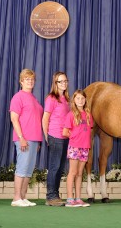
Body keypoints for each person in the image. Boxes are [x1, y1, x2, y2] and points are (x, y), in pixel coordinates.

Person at [10, 69, 43, 207]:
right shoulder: (18, 97)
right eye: (27, 79)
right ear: (21, 81)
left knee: (28, 170)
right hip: (24, 138)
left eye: (32, 79)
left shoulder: (34, 98)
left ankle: (23, 197)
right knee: (22, 168)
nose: (30, 81)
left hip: (34, 139)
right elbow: (14, 118)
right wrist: (21, 137)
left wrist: (38, 141)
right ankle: (16, 198)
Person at [42, 72, 70, 206]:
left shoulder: (66, 99)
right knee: (54, 167)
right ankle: (50, 196)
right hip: (55, 136)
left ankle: (55, 195)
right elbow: (45, 118)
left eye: (65, 81)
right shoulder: (51, 98)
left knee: (60, 168)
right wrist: (47, 137)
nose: (63, 83)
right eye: (60, 81)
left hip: (65, 137)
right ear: (55, 83)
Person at [63, 90, 93, 207]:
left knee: (80, 173)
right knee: (73, 172)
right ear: (74, 101)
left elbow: (89, 131)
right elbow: (65, 132)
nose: (80, 100)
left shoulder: (88, 115)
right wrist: (75, 137)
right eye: (78, 98)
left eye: (82, 98)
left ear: (85, 100)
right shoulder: (71, 114)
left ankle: (78, 198)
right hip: (74, 147)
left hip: (85, 147)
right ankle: (70, 199)